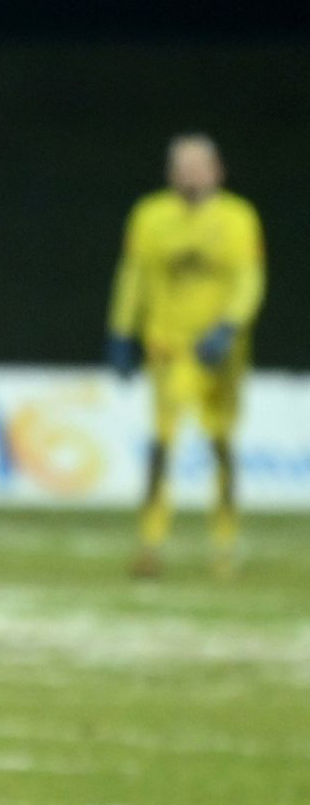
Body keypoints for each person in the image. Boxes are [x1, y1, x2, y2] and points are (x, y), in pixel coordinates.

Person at [107, 133, 265, 579]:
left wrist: (229, 325)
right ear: (170, 173)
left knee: (221, 443)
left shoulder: (238, 217)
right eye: (182, 166)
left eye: (199, 166)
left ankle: (225, 543)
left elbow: (250, 278)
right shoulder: (150, 215)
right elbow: (133, 275)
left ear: (218, 171)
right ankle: (150, 543)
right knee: (162, 443)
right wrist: (121, 330)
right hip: (168, 347)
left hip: (221, 351)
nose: (191, 174)